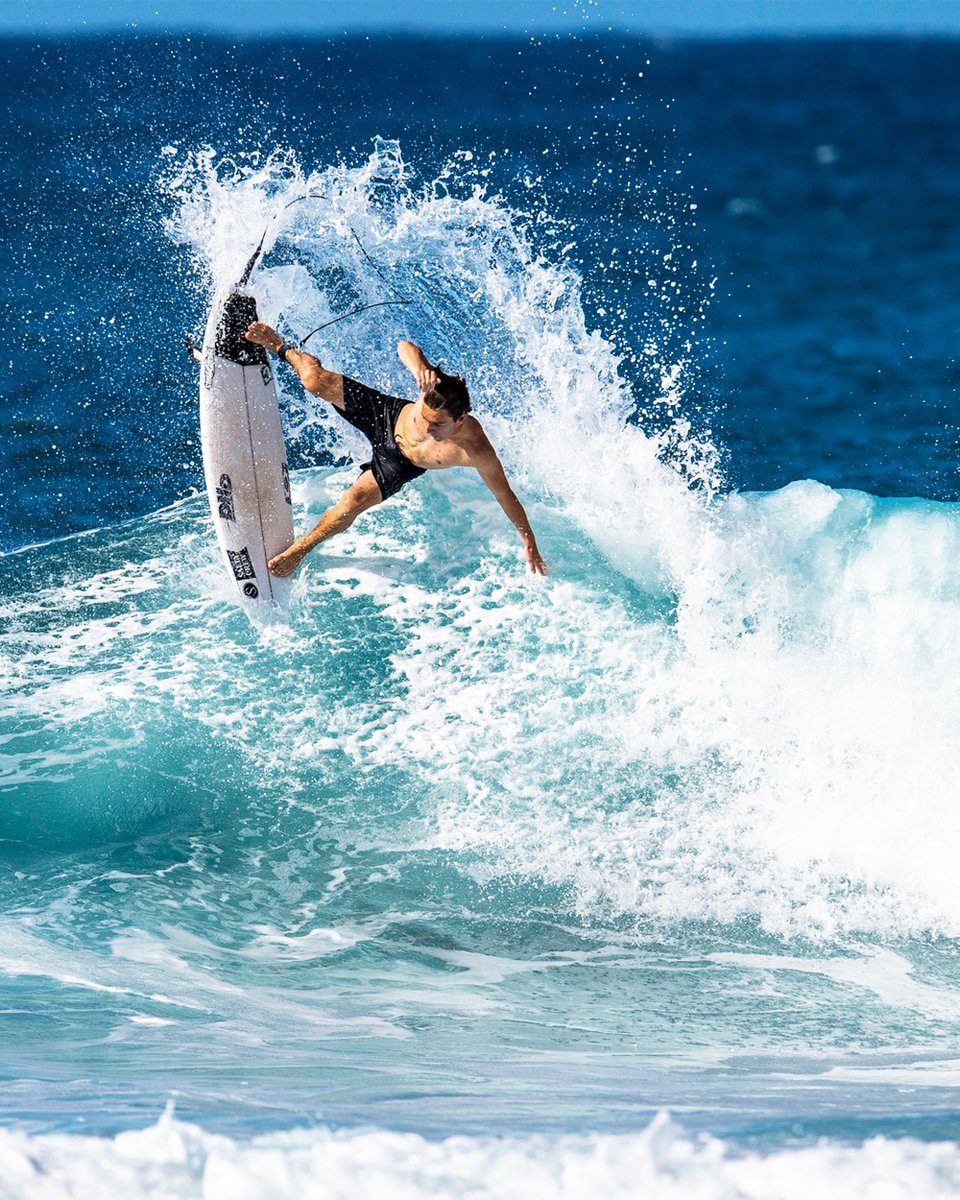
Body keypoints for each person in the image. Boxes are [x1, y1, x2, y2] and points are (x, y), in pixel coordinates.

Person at [243, 322, 547, 578]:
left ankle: (299, 550)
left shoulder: (478, 450)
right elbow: (404, 345)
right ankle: (281, 346)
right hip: (386, 415)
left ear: (461, 420)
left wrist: (529, 541)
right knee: (313, 380)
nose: (426, 429)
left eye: (436, 426)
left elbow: (506, 496)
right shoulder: (433, 387)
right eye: (425, 419)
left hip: (399, 463)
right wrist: (420, 367)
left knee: (350, 504)